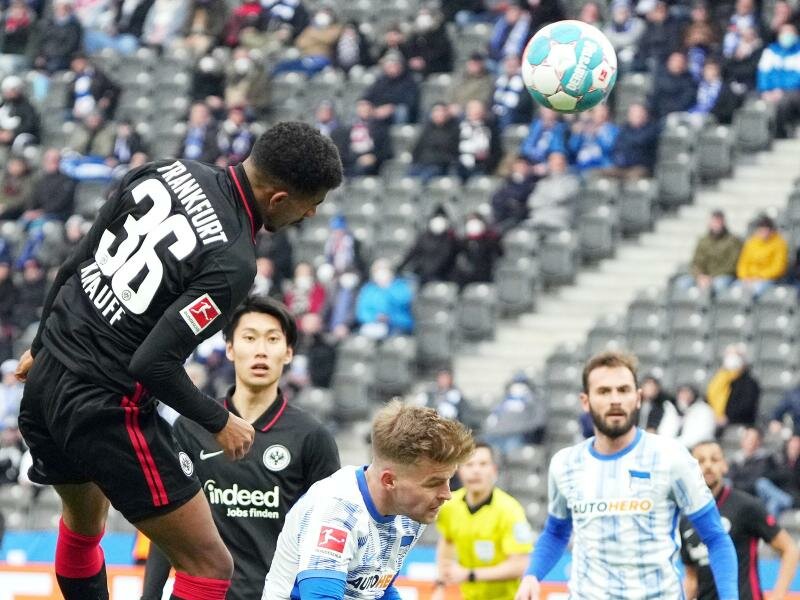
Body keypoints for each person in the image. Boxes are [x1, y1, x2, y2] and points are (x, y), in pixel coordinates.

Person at [14, 121, 342, 600]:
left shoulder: (165, 170)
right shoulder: (233, 260)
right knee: (210, 565)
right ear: (277, 199)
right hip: (103, 405)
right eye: (311, 202)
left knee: (84, 527)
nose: (311, 214)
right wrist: (218, 421)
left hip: (45, 381)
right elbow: (152, 363)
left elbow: (75, 265)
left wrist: (40, 345)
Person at [140, 296, 340, 600]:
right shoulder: (190, 427)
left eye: (272, 339)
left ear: (287, 353)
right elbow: (170, 527)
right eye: (249, 338)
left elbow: (330, 536)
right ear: (231, 349)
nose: (261, 350)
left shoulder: (312, 437)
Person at [515, 351, 738, 600]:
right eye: (603, 391)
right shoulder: (564, 464)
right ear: (585, 401)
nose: (615, 400)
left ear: (638, 398)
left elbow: (716, 538)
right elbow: (556, 532)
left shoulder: (671, 457)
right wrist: (532, 575)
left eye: (623, 390)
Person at [262, 400, 474, 599]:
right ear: (389, 481)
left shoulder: (410, 511)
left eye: (449, 480)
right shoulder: (337, 510)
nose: (447, 494)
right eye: (434, 483)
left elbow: (376, 588)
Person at [680, 440, 799, 600]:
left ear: (724, 465)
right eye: (700, 461)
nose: (708, 465)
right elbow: (691, 577)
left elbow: (790, 550)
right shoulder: (687, 517)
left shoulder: (746, 506)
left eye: (714, 459)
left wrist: (777, 595)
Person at [434, 442, 532, 600]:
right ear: (459, 471)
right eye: (469, 464)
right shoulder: (449, 506)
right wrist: (440, 585)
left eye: (483, 464)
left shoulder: (511, 510)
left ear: (494, 470)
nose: (476, 470)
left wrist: (470, 575)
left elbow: (520, 565)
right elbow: (447, 542)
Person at [677, 210, 742, 293]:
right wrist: (700, 276)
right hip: (704, 276)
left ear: (724, 223)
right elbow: (696, 262)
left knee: (719, 284)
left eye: (719, 222)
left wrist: (711, 277)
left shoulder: (733, 241)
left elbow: (732, 264)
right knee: (683, 283)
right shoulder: (703, 241)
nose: (717, 225)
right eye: (715, 222)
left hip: (723, 275)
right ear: (710, 223)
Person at [734, 213, 789, 297]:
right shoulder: (751, 243)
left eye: (766, 230)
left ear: (771, 231)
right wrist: (745, 276)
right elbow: (743, 263)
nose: (763, 232)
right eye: (761, 230)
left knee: (755, 290)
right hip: (749, 278)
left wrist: (759, 276)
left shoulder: (779, 244)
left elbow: (778, 267)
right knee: (735, 290)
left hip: (768, 279)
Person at [706, 344, 760, 430]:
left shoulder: (749, 383)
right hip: (713, 422)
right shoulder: (718, 379)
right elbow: (708, 398)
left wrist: (728, 418)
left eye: (736, 356)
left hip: (737, 424)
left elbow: (746, 406)